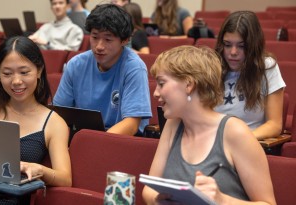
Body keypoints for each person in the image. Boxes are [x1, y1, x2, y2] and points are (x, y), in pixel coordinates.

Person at [142, 45, 276, 205]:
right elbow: (149, 189)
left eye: (162, 83)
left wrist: (222, 200)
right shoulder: (173, 124)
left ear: (189, 85)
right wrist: (157, 200)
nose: (156, 92)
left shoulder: (235, 132)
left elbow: (268, 204)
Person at [0, 36, 72, 204]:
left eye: (24, 72)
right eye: (7, 74)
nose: (16, 81)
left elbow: (65, 179)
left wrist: (39, 169)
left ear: (39, 70)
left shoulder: (54, 123)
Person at [53, 3, 152, 136]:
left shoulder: (134, 68)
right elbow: (59, 114)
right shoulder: (76, 64)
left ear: (124, 40)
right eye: (94, 37)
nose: (99, 46)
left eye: (108, 39)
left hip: (120, 141)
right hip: (82, 137)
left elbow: (132, 123)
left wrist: (98, 143)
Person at [214, 11, 285, 140]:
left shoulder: (266, 67)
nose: (233, 52)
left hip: (249, 143)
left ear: (253, 46)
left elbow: (274, 125)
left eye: (241, 46)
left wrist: (241, 140)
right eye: (227, 45)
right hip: (211, 142)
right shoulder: (212, 65)